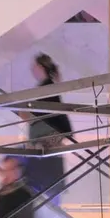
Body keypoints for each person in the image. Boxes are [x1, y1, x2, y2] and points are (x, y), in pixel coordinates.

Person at [19, 53, 73, 200]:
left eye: (34, 66)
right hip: (49, 137)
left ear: (40, 67)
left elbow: (46, 113)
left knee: (43, 169)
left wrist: (27, 114)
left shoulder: (47, 87)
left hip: (48, 137)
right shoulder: (48, 86)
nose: (32, 69)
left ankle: (44, 193)